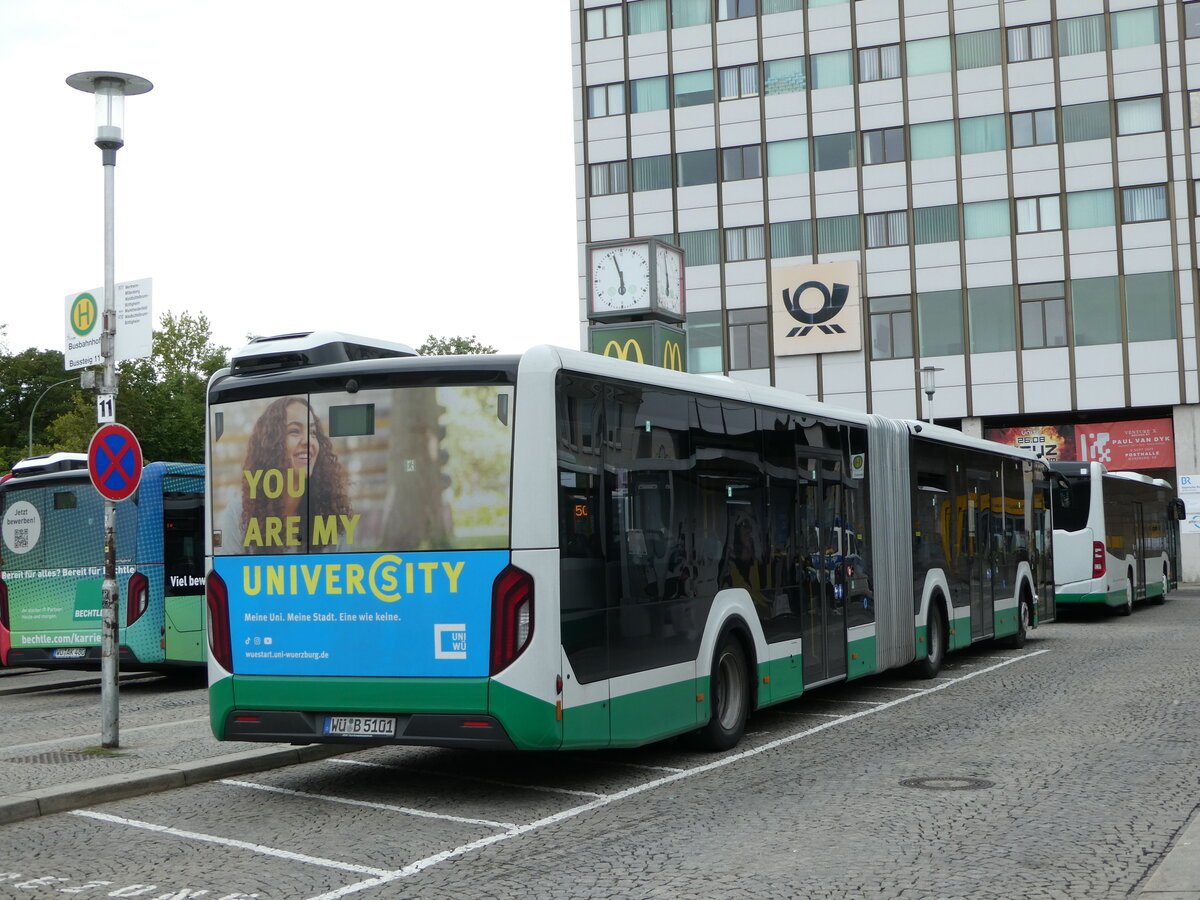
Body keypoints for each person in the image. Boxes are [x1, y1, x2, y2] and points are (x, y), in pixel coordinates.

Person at [232, 396, 352, 553]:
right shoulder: (239, 512)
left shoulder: (332, 511)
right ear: (271, 444)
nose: (308, 441)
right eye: (295, 431)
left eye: (313, 433)